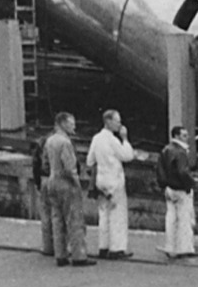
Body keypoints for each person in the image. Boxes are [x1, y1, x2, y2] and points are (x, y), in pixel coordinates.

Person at [87, 108, 138, 258]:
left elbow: (90, 160)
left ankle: (103, 247)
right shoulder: (113, 140)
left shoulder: (96, 138)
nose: (120, 124)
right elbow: (127, 156)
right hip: (114, 182)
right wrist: (125, 139)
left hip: (101, 181)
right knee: (118, 215)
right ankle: (116, 249)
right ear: (108, 122)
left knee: (104, 215)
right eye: (117, 121)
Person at [40, 111, 87, 265]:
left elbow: (45, 163)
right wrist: (77, 183)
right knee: (74, 219)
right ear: (63, 124)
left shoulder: (49, 141)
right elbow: (69, 167)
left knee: (57, 218)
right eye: (71, 123)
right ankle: (78, 256)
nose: (74, 126)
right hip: (65, 182)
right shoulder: (65, 143)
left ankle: (60, 255)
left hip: (52, 180)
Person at [157, 124, 198, 258]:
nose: (187, 138)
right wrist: (191, 183)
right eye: (184, 135)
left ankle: (170, 247)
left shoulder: (165, 150)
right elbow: (182, 171)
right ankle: (185, 248)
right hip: (181, 189)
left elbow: (159, 169)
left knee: (171, 219)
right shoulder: (181, 152)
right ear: (176, 136)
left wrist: (163, 184)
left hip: (169, 189)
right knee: (185, 219)